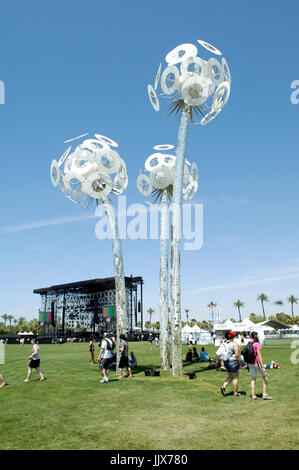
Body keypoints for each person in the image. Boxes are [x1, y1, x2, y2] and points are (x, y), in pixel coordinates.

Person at [248, 331, 272, 400]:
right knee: (265, 377)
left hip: (250, 363)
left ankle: (253, 395)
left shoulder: (249, 343)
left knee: (253, 379)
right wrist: (262, 366)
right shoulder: (257, 344)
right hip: (257, 363)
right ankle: (264, 394)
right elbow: (259, 356)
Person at [220, 330, 243, 397]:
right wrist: (240, 364)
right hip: (233, 361)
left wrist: (222, 363)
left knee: (230, 376)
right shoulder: (234, 343)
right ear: (232, 336)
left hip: (226, 361)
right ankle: (235, 393)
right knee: (235, 378)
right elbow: (237, 355)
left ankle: (223, 386)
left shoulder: (224, 343)